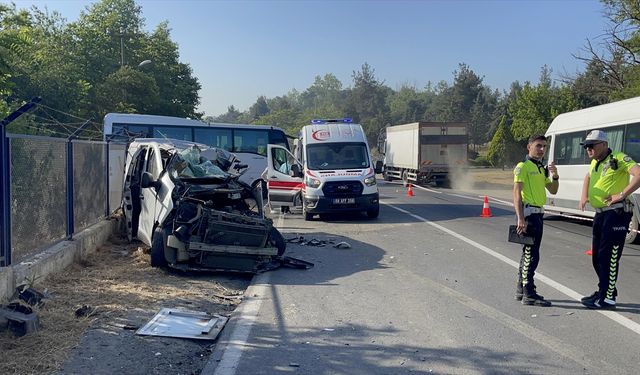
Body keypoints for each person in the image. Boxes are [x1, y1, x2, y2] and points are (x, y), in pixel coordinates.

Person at [579, 130, 640, 309]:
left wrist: (621, 194)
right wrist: (584, 195)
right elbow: (588, 177)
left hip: (616, 213)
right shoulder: (595, 162)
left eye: (592, 145)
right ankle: (605, 290)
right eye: (586, 146)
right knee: (597, 257)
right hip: (601, 213)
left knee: (609, 257)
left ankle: (607, 298)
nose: (588, 149)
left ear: (604, 145)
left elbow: (638, 174)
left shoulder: (619, 158)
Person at [513, 135, 559, 306]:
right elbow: (516, 192)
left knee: (528, 253)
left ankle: (521, 288)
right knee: (531, 255)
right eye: (538, 146)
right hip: (529, 214)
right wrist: (520, 218)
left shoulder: (541, 168)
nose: (541, 149)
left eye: (544, 146)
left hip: (539, 214)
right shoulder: (523, 166)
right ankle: (529, 292)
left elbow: (553, 190)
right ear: (529, 147)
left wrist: (554, 175)